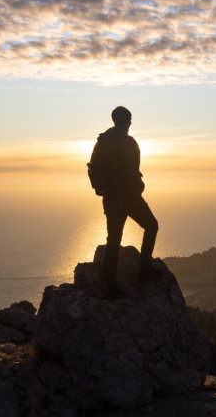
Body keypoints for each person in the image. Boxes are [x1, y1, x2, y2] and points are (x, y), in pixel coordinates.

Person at [88, 106, 161, 295]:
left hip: (110, 198)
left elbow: (92, 167)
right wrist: (139, 187)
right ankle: (144, 270)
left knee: (113, 239)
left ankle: (110, 285)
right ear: (128, 122)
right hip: (130, 197)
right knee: (151, 226)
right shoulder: (130, 143)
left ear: (114, 121)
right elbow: (133, 171)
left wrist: (101, 189)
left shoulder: (101, 141)